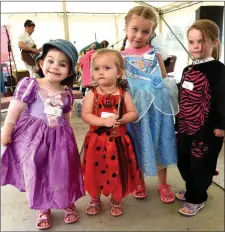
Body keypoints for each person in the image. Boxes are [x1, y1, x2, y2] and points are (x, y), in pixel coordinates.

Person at [1, 39, 85, 229]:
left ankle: (67, 202)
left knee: (62, 170)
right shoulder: (31, 85)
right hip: (35, 138)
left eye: (62, 64)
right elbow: (15, 108)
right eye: (50, 61)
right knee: (38, 170)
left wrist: (69, 133)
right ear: (40, 63)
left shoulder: (66, 92)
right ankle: (43, 206)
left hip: (60, 138)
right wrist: (6, 132)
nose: (55, 67)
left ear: (70, 71)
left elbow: (66, 114)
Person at [120, 6, 179, 203]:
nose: (139, 35)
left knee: (161, 141)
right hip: (136, 110)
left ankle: (163, 183)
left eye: (145, 31)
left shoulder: (156, 54)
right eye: (135, 29)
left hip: (158, 109)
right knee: (138, 142)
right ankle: (139, 180)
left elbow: (163, 79)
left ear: (151, 33)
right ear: (126, 28)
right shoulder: (120, 58)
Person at [81, 48, 141, 217]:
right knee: (94, 171)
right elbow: (86, 115)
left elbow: (133, 114)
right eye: (97, 68)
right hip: (96, 142)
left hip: (118, 141)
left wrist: (121, 119)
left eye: (107, 68)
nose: (101, 72)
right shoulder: (92, 94)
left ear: (119, 72)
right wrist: (103, 122)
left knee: (118, 170)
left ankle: (116, 199)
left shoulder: (123, 95)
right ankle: (94, 198)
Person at [176, 19, 225, 216]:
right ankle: (191, 190)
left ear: (214, 42)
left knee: (200, 164)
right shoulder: (188, 69)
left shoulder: (219, 71)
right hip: (185, 127)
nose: (196, 47)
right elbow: (183, 97)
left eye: (201, 41)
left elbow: (223, 98)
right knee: (183, 160)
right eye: (191, 42)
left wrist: (222, 124)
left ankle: (197, 198)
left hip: (207, 130)